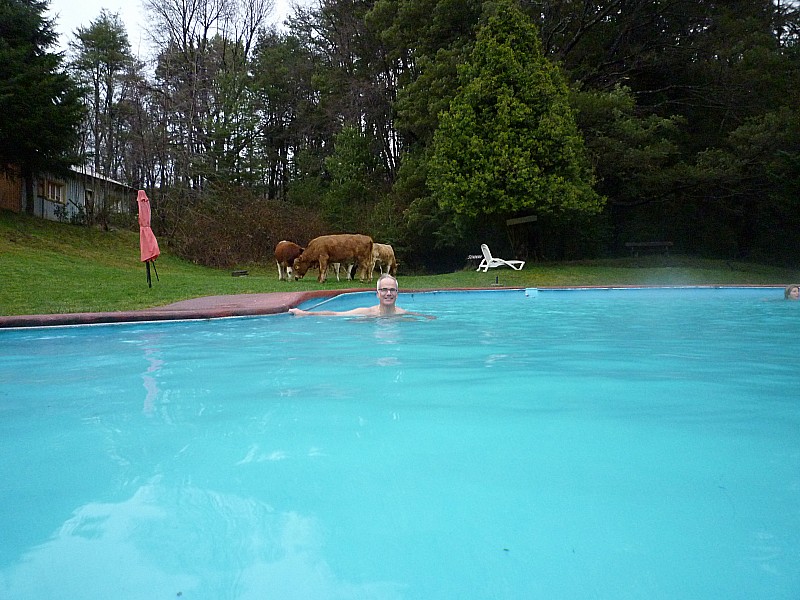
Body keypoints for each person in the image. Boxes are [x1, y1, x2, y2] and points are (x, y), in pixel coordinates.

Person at [289, 274, 433, 318]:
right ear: (377, 294)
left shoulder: (403, 315)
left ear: (397, 294)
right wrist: (305, 314)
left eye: (392, 290)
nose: (388, 293)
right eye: (384, 290)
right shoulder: (367, 313)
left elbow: (426, 319)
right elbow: (335, 314)